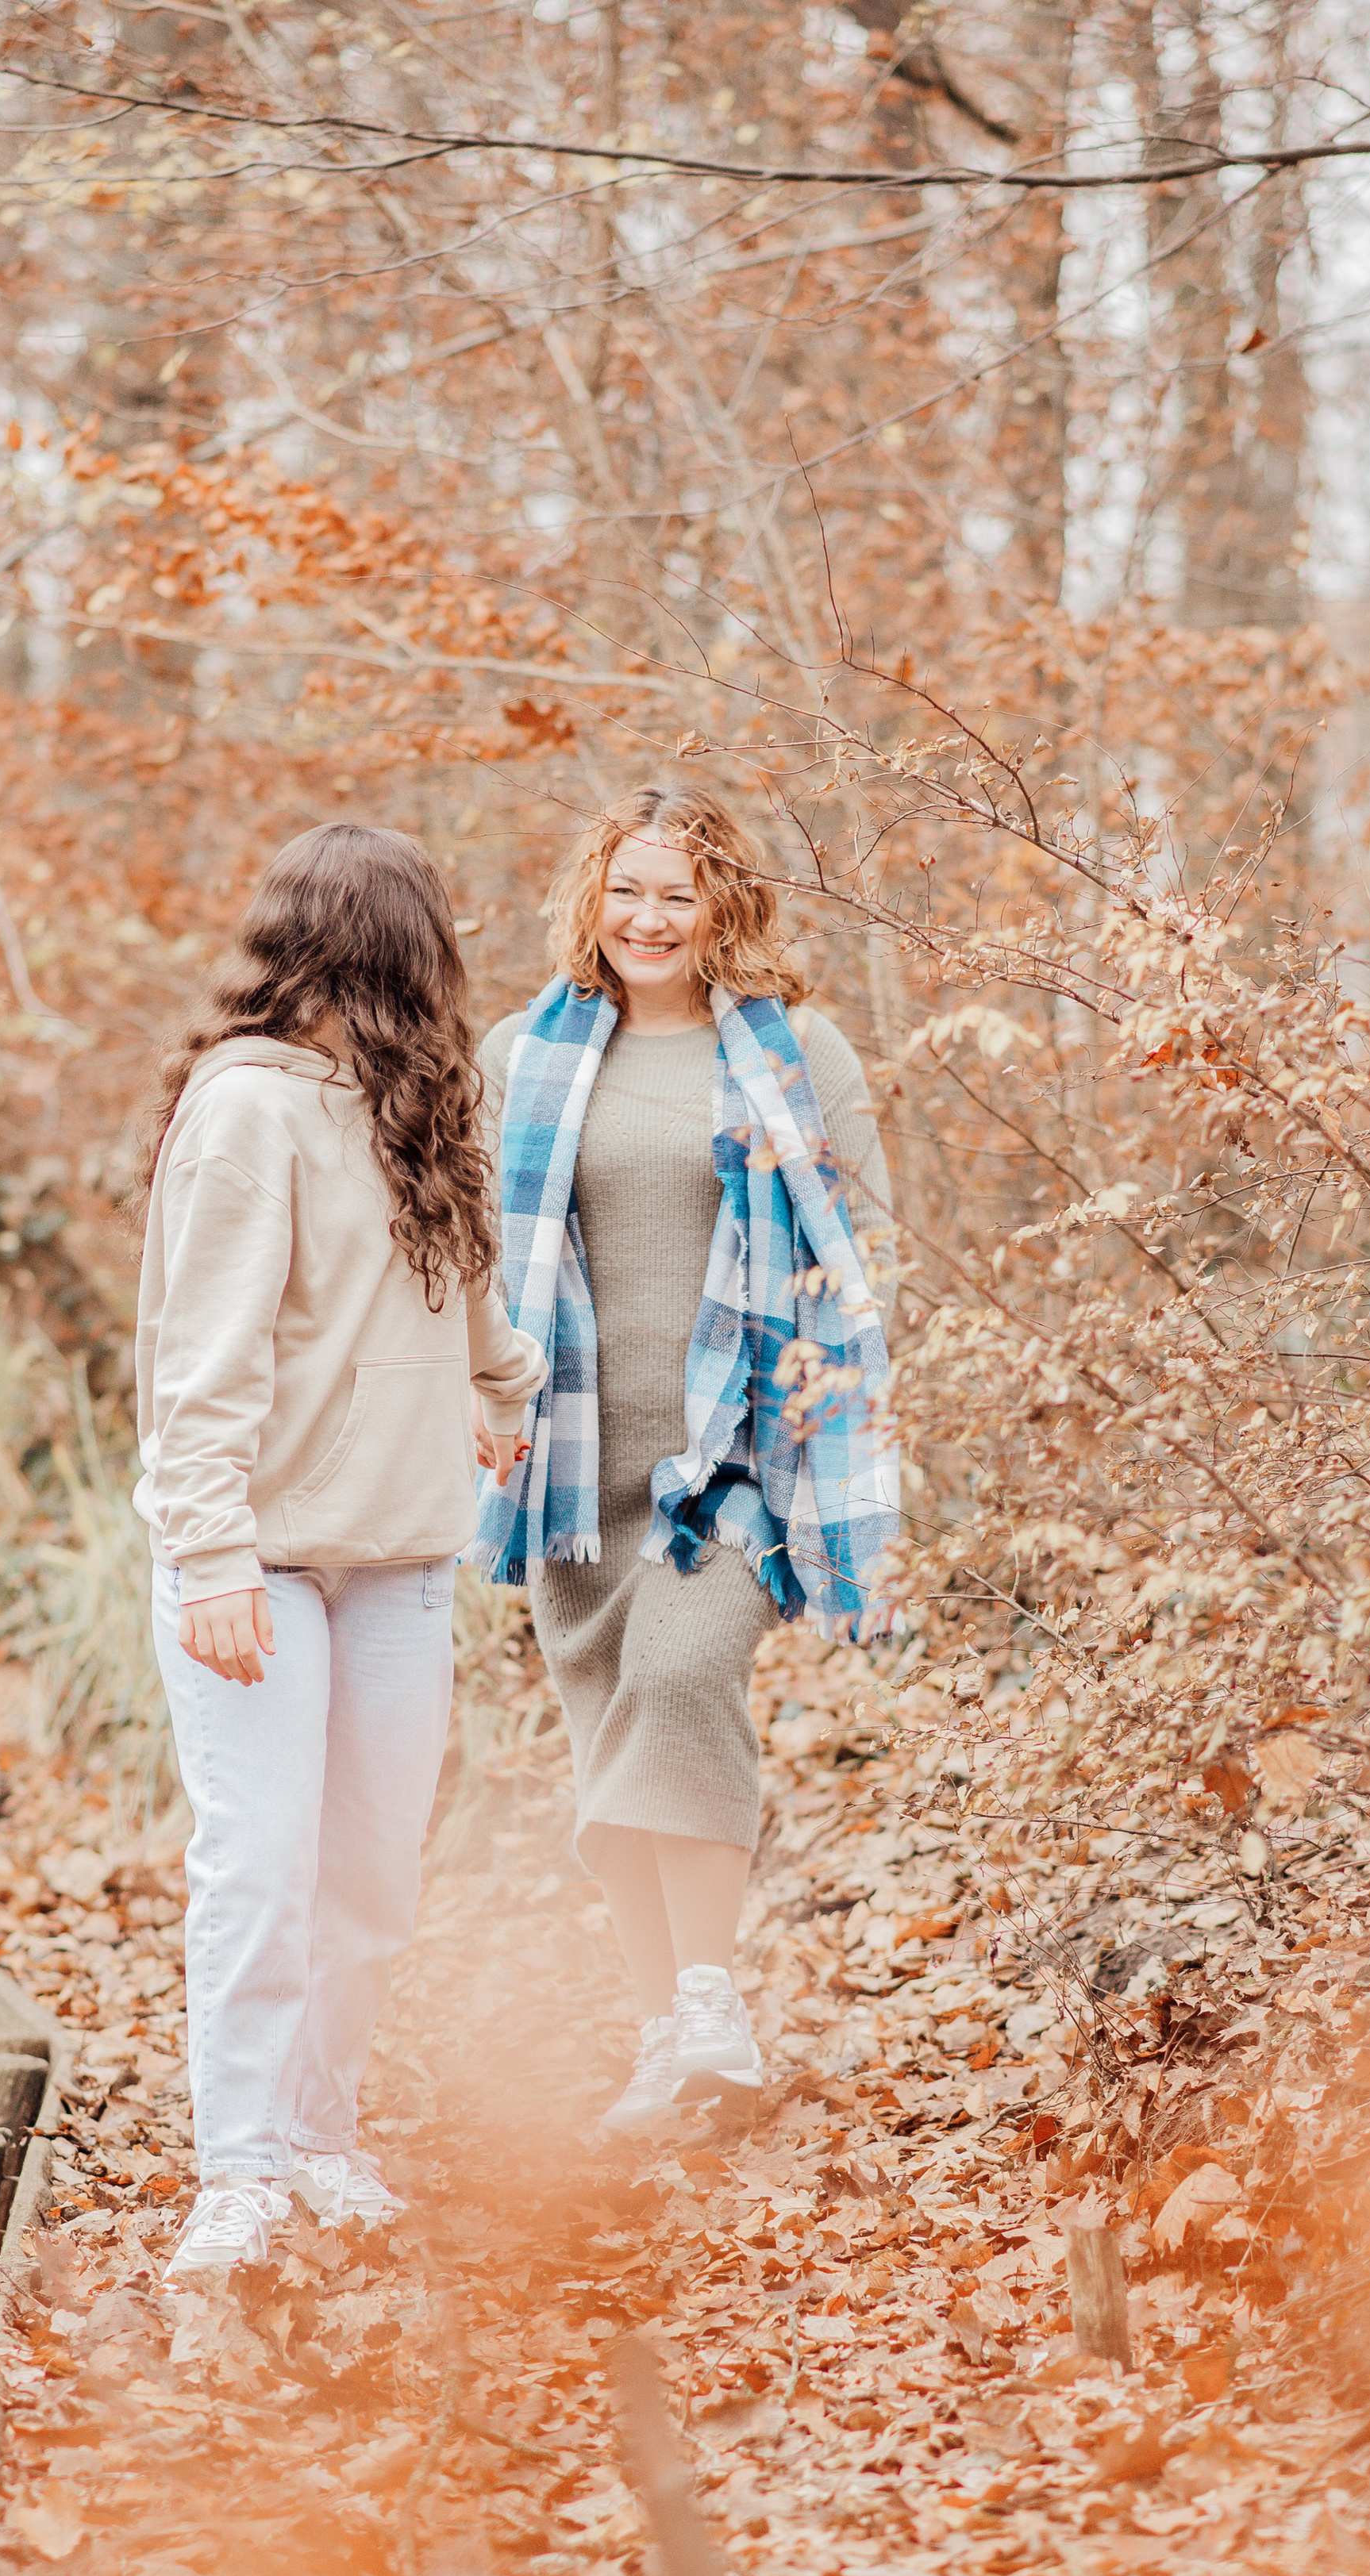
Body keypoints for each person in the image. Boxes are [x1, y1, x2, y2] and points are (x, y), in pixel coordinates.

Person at [134, 824, 545, 2279]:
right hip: (263, 1554)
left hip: (403, 1546)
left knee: (371, 1869)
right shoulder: (249, 1109)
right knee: (259, 1862)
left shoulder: (423, 1098)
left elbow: (465, 1275)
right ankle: (237, 2169)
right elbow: (205, 1358)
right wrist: (214, 1554)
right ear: (379, 950)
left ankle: (321, 2135)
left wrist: (502, 1391)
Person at [471, 783, 895, 2132]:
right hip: (570, 1462)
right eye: (628, 889)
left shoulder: (794, 1052)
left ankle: (710, 2001)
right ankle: (667, 2034)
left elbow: (870, 1242)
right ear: (593, 898)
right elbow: (473, 1258)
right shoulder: (520, 1060)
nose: (650, 917)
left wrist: (830, 1423)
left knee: (677, 1673)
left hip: (739, 1460)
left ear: (725, 905)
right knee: (608, 1739)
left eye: (679, 892)